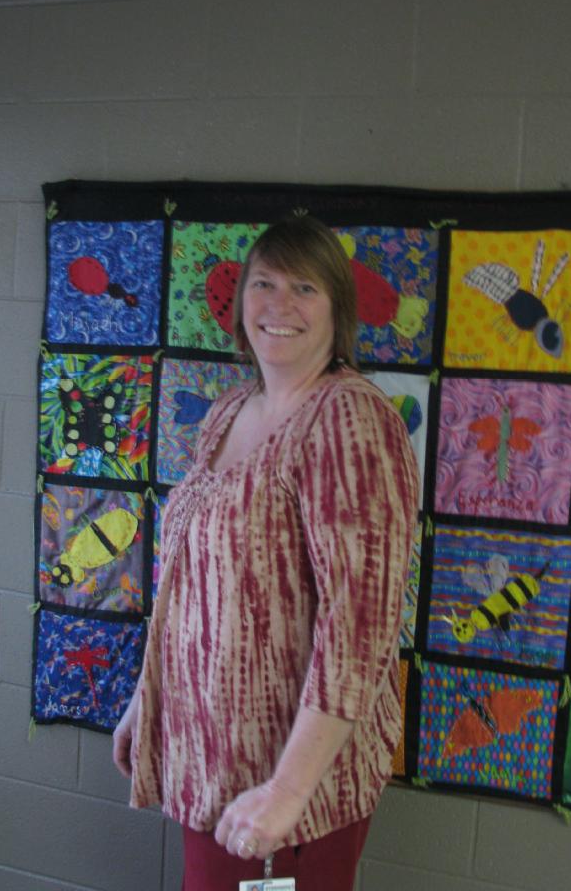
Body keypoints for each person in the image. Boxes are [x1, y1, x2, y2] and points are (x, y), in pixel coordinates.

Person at [113, 215, 419, 890]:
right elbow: (191, 578)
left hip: (286, 791)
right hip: (210, 764)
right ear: (240, 300)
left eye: (305, 288)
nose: (280, 304)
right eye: (264, 283)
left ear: (337, 310)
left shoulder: (349, 419)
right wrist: (148, 700)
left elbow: (361, 626)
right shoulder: (229, 411)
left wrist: (286, 792)